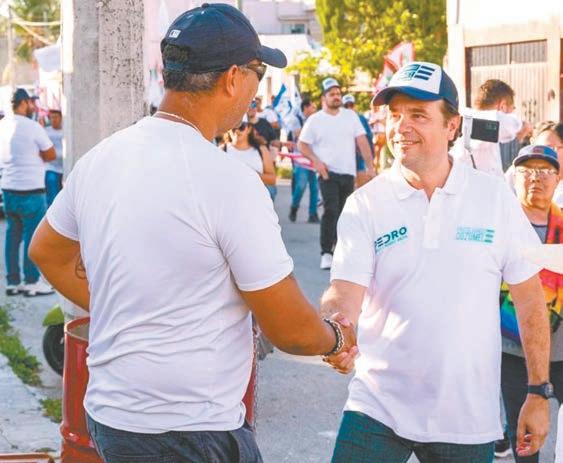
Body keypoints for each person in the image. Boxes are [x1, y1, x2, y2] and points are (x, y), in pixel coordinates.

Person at [28, 4, 356, 462]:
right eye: (258, 75)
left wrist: (121, 310)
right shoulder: (229, 181)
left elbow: (46, 250)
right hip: (191, 429)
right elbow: (290, 329)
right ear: (233, 78)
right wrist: (337, 339)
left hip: (111, 417)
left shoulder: (101, 159)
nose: (254, 92)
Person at [322, 61, 550, 462]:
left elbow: (530, 299)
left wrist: (537, 391)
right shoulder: (365, 204)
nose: (401, 126)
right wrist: (337, 330)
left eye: (418, 115)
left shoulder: (494, 197)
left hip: (466, 419)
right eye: (395, 114)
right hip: (377, 407)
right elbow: (343, 293)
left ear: (452, 126)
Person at [499, 144, 562, 462]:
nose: (536, 178)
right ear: (514, 176)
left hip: (561, 349)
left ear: (558, 178)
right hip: (513, 348)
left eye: (545, 171)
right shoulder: (500, 225)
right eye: (527, 170)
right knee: (523, 433)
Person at [298, 78, 375, 270]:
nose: (336, 97)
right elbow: (302, 145)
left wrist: (370, 167)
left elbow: (362, 141)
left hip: (347, 173)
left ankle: (340, 250)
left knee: (345, 214)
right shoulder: (315, 120)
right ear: (324, 98)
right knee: (331, 210)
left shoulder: (350, 116)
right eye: (332, 94)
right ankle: (326, 253)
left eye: (338, 94)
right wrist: (317, 163)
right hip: (327, 174)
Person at [0, 88, 55, 297]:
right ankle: (31, 282)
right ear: (23, 103)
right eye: (30, 102)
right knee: (32, 236)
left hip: (9, 189)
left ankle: (12, 282)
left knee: (12, 236)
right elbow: (50, 154)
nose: (33, 106)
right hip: (31, 190)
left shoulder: (2, 126)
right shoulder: (32, 127)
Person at [453, 79, 531, 176]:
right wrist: (523, 125)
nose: (512, 113)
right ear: (502, 106)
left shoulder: (471, 122)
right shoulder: (476, 121)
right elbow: (504, 124)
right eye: (512, 109)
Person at [223, 121, 276, 198]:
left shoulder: (261, 150)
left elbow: (272, 179)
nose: (237, 131)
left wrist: (250, 174)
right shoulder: (222, 150)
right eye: (233, 127)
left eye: (241, 127)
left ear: (249, 129)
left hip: (256, 198)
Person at [289, 97, 319, 223]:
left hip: (314, 158)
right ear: (306, 107)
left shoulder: (316, 120)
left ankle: (313, 214)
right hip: (300, 158)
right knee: (301, 185)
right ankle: (294, 207)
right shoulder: (296, 119)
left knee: (315, 187)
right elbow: (299, 135)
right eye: (313, 107)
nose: (315, 110)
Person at [342, 93, 375, 179]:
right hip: (345, 156)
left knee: (361, 177)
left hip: (359, 154)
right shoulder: (338, 120)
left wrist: (371, 157)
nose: (349, 108)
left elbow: (369, 137)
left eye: (351, 105)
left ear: (354, 106)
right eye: (346, 106)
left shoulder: (361, 118)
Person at [45, 109, 64, 206]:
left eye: (56, 117)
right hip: (51, 168)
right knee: (53, 196)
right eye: (51, 118)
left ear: (61, 118)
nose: (53, 120)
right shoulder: (46, 132)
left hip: (65, 168)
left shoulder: (66, 131)